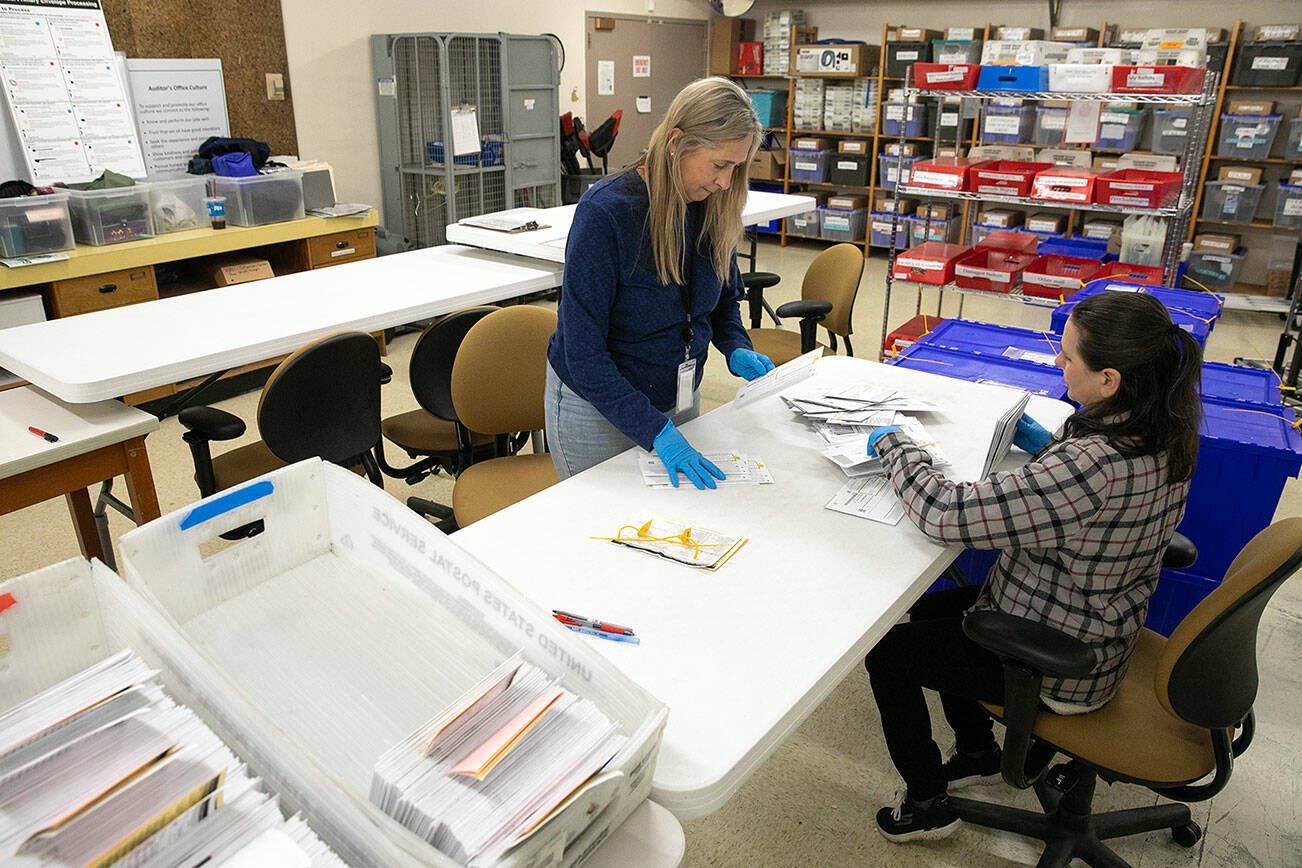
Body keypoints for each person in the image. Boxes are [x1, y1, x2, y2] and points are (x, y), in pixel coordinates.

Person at [861, 292, 1203, 843]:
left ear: (1110, 379)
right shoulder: (1163, 427)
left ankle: (927, 802)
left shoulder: (1092, 465)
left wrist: (899, 449)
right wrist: (1047, 447)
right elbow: (1095, 502)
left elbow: (946, 515)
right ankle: (976, 750)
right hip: (1101, 620)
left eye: (1068, 359)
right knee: (928, 615)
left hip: (1059, 654)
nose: (1058, 364)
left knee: (886, 654)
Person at [545, 77, 775, 489]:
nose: (726, 182)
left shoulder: (712, 205)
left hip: (675, 395)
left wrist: (736, 344)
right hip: (597, 405)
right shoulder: (607, 213)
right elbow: (583, 353)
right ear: (677, 143)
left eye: (736, 168)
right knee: (599, 529)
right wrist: (657, 431)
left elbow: (721, 300)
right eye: (719, 165)